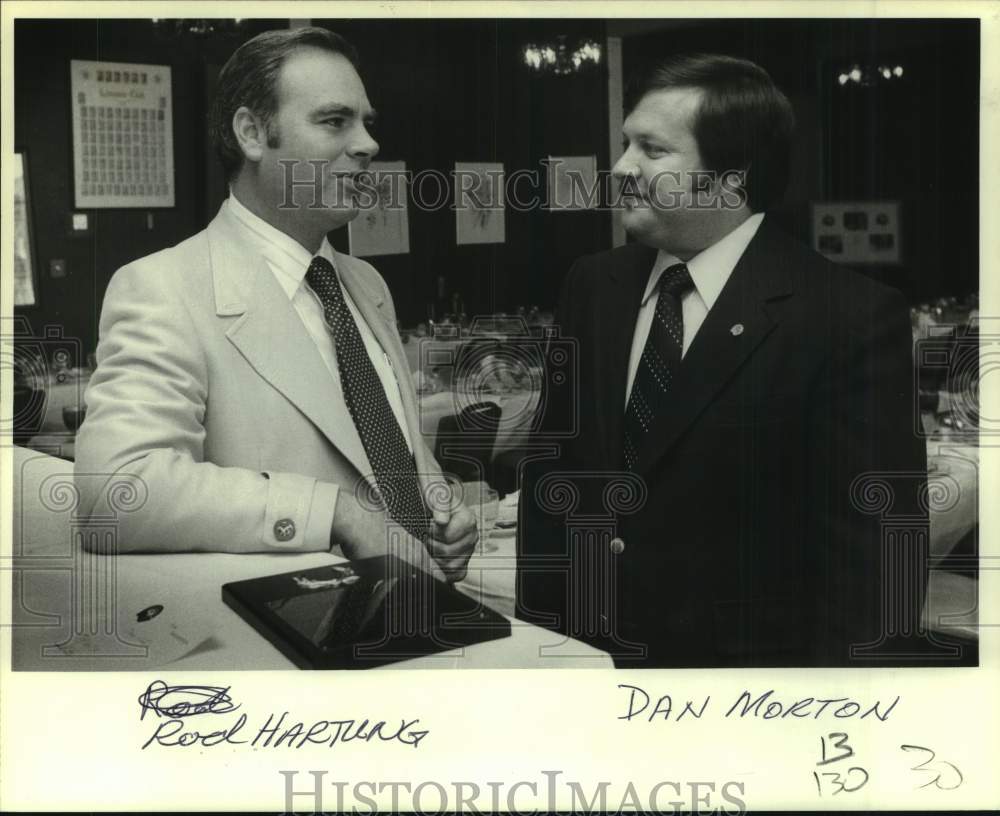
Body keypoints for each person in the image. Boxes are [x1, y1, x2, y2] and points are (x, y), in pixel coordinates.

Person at [517, 54, 929, 666]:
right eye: (625, 143)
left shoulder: (848, 317)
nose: (621, 168)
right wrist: (541, 645)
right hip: (583, 660)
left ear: (732, 179)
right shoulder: (593, 285)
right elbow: (553, 476)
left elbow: (873, 557)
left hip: (740, 683)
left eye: (652, 151)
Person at [75, 28, 476, 581]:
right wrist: (336, 512)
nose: (368, 144)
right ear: (252, 134)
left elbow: (381, 446)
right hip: (295, 643)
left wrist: (438, 503)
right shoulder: (162, 287)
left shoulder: (366, 284)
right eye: (335, 121)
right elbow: (114, 495)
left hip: (418, 613)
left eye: (367, 122)